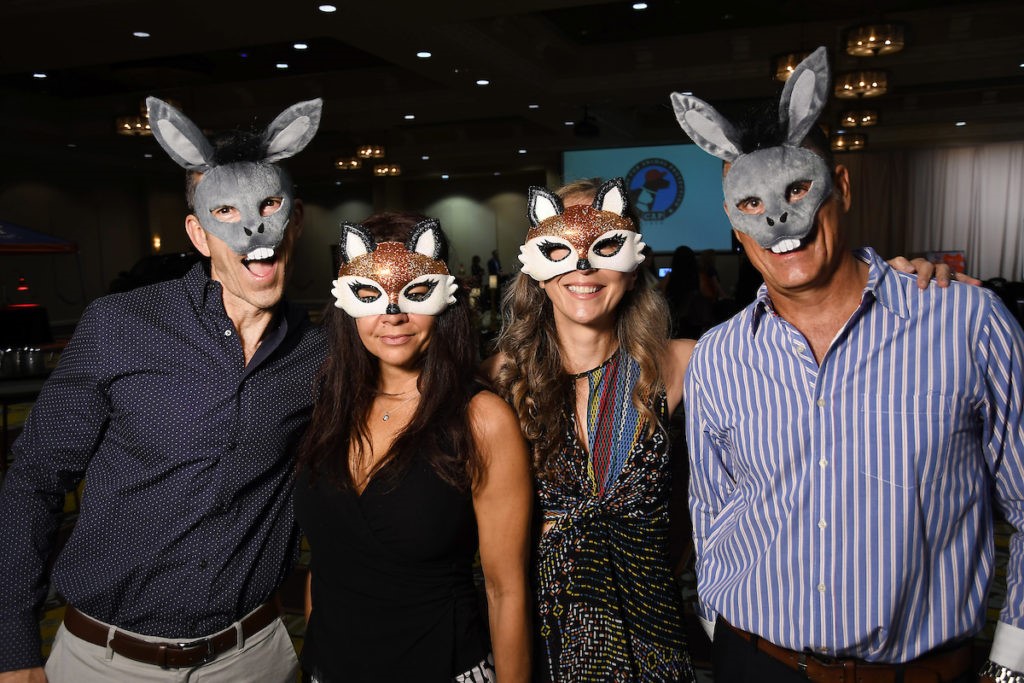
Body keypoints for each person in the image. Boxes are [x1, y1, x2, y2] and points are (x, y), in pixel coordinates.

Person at [674, 47, 1024, 682]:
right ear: (733, 221)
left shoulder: (966, 324)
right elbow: (712, 505)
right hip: (754, 661)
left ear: (844, 186)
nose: (779, 220)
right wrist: (718, 622)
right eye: (750, 205)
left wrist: (1013, 660)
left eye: (799, 189)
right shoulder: (718, 356)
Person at [0, 97, 324, 682]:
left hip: (255, 656)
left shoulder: (320, 354)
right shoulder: (121, 325)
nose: (253, 228)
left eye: (271, 206)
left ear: (294, 219)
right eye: (225, 212)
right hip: (104, 660)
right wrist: (13, 647)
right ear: (200, 235)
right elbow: (33, 481)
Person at [295, 213, 532, 682]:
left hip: (442, 664)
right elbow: (323, 564)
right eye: (371, 295)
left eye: (414, 293)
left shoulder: (482, 419)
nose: (392, 316)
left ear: (445, 300)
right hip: (332, 665)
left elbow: (507, 591)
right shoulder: (327, 408)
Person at [486, 177, 699, 682]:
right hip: (544, 647)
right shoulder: (498, 379)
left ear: (634, 262)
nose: (582, 266)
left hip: (654, 645)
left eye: (604, 246)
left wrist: (904, 277)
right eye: (559, 249)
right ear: (536, 270)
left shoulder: (682, 364)